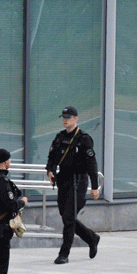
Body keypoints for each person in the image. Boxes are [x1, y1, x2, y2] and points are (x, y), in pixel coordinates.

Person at [46, 106, 100, 264]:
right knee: (66, 216)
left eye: (68, 118)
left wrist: (95, 187)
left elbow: (92, 164)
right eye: (63, 117)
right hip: (63, 180)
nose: (65, 120)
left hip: (78, 182)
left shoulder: (84, 138)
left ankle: (64, 253)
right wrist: (50, 170)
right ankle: (91, 238)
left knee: (69, 219)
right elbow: (52, 157)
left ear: (76, 119)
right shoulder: (59, 137)